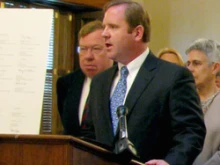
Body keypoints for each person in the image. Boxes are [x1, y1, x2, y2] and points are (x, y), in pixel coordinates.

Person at [81, 0, 206, 165]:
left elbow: (191, 132)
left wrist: (170, 163)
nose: (104, 33)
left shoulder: (173, 77)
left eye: (113, 27)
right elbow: (90, 134)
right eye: (104, 27)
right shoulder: (99, 82)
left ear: (137, 33)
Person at [56, 20, 113, 136]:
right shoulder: (66, 83)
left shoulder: (122, 81)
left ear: (110, 48)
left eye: (96, 49)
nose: (88, 56)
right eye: (83, 49)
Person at [185, 38, 220, 165]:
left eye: (196, 63)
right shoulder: (181, 100)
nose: (190, 69)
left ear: (215, 67)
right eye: (188, 63)